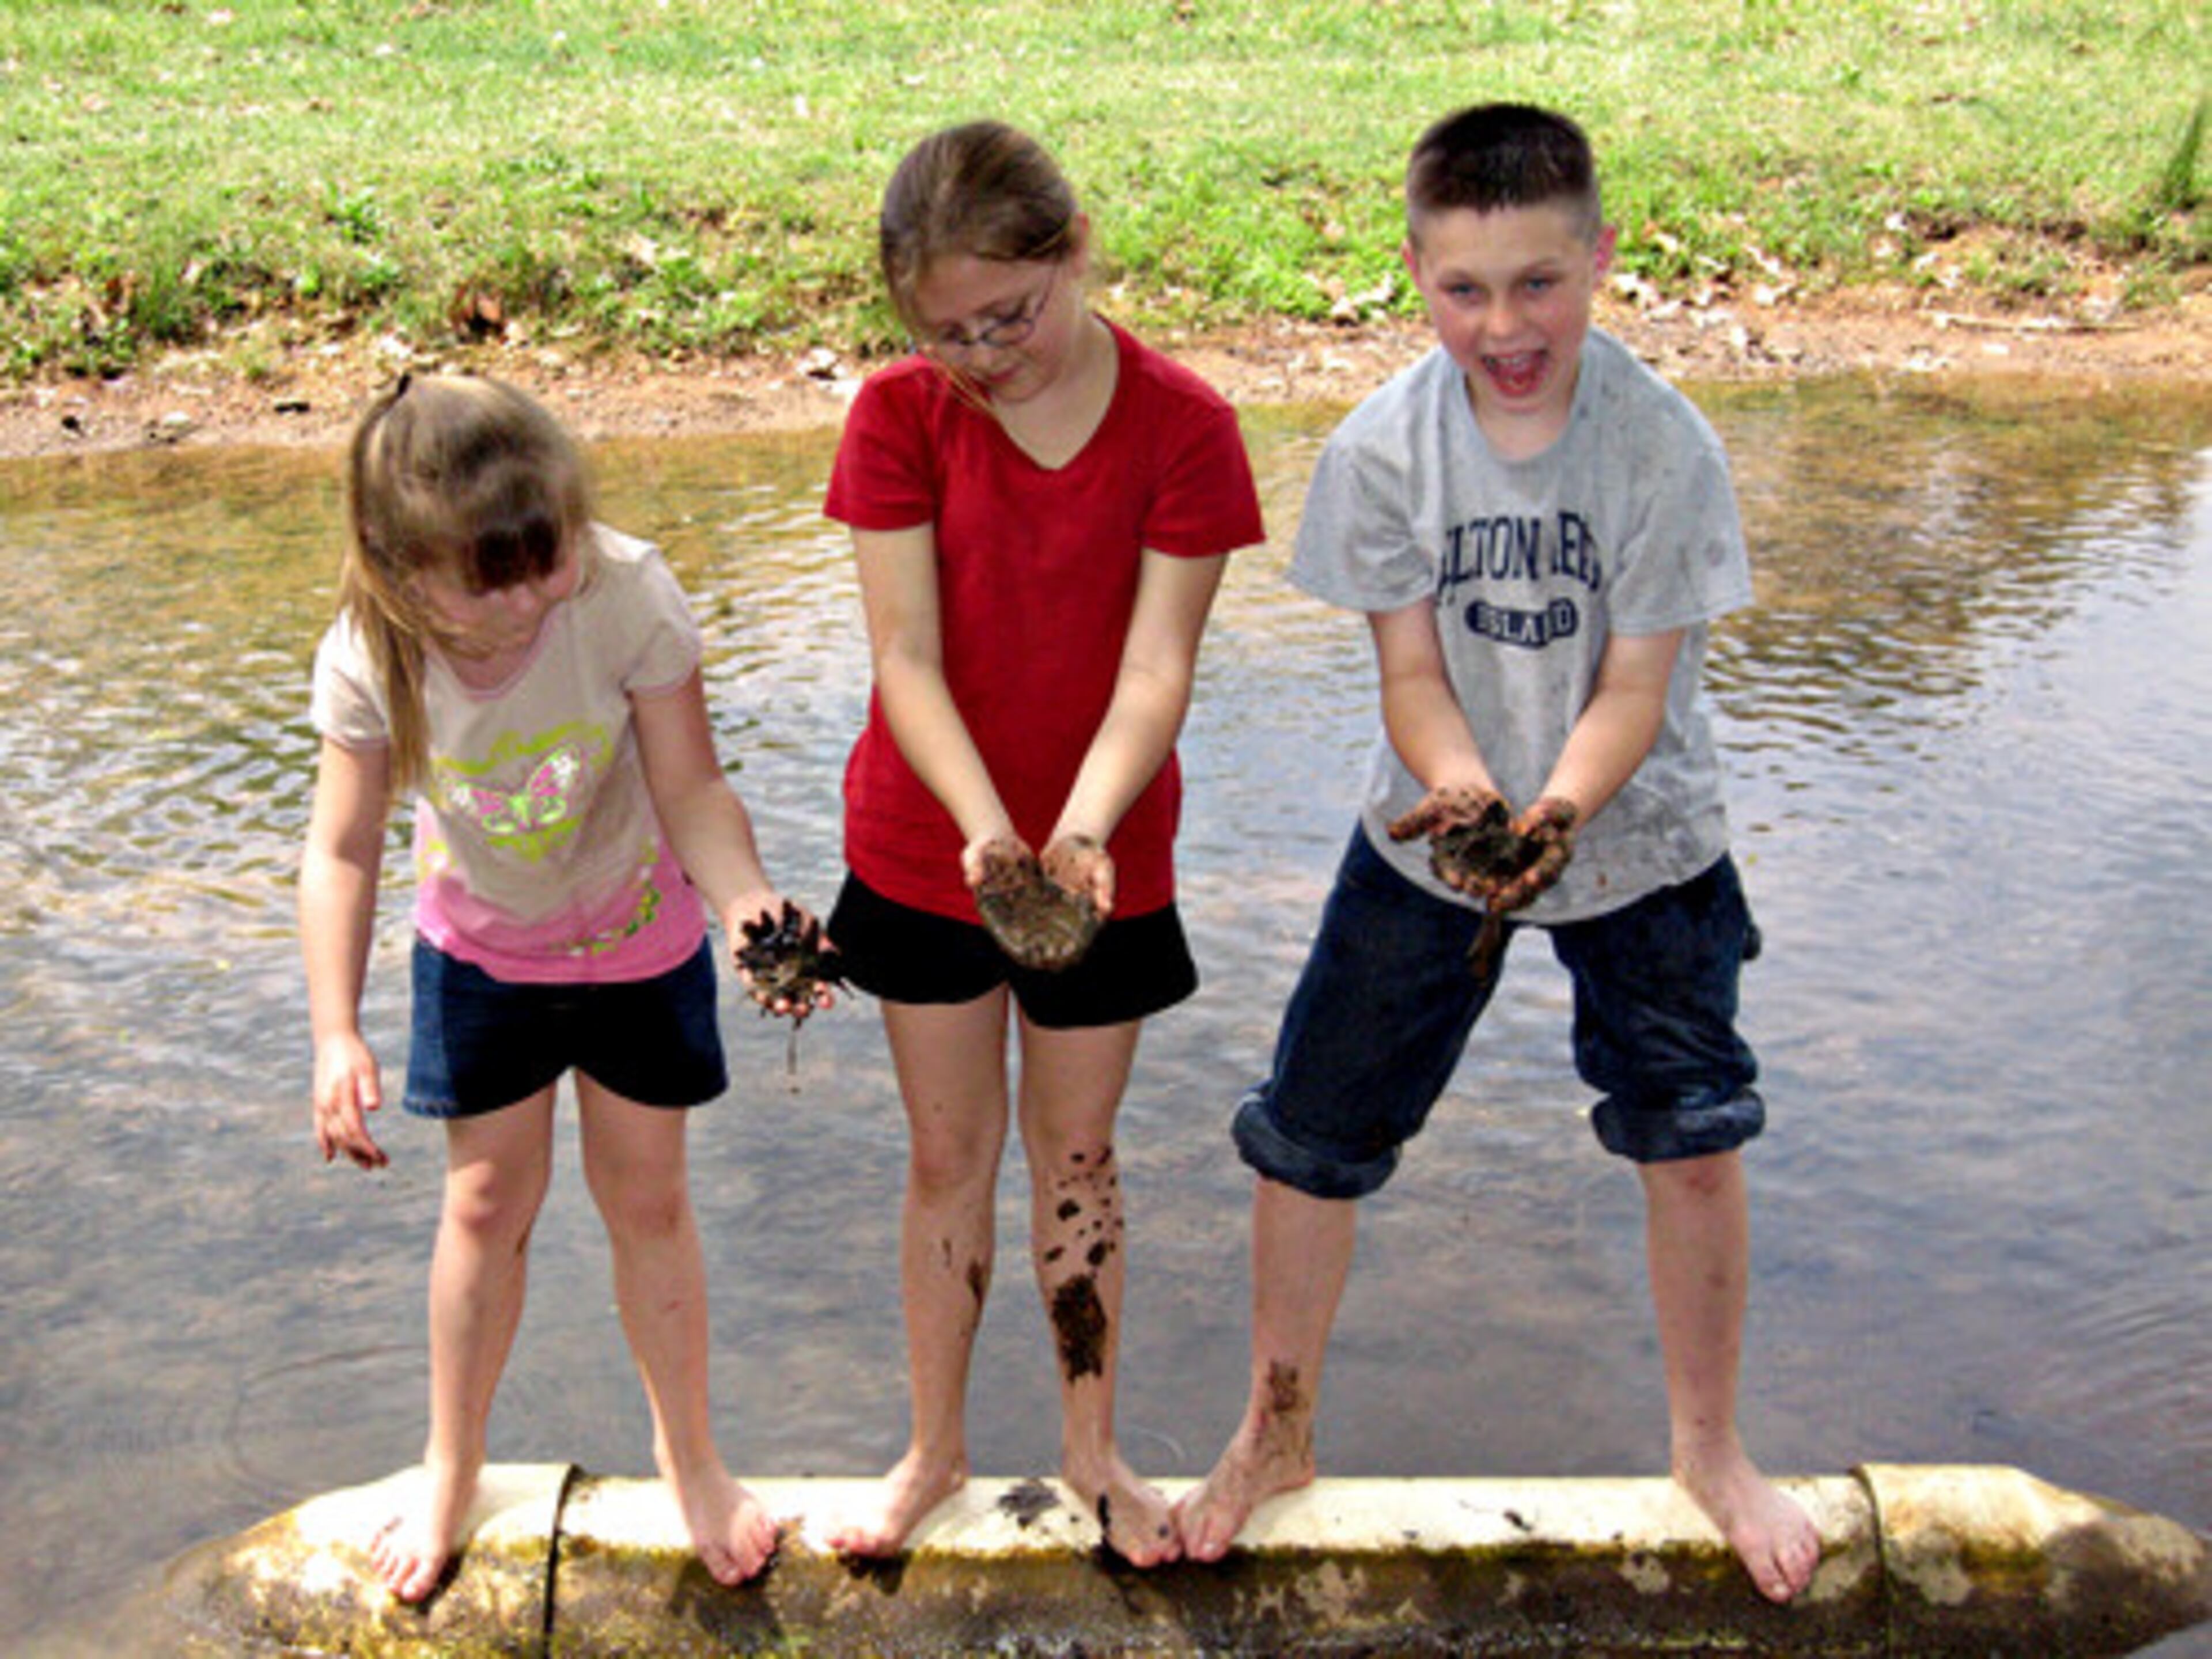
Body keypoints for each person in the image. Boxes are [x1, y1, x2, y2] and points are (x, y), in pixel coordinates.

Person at [1173, 104, 1823, 1605]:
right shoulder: (1385, 450)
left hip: (1644, 837)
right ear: (1413, 274)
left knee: (1695, 1132)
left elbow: (1639, 690)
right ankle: (1275, 1433)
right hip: (1428, 845)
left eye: (1539, 283)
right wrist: (1470, 795)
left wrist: (1560, 815)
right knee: (1307, 1139)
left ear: (1601, 257)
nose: (1505, 324)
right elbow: (1410, 680)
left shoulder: (1660, 445)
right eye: (1466, 290)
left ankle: (1709, 1448)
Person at [300, 373, 827, 1601]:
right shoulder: (369, 652)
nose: (539, 593)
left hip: (640, 940)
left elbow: (693, 790)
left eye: (550, 557)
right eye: (497, 578)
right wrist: (334, 1029)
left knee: (649, 1202)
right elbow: (342, 847)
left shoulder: (623, 589)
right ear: (396, 565)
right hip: (481, 957)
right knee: (485, 1204)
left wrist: (747, 904)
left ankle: (690, 1457)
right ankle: (453, 1463)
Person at [819, 120, 1264, 1567]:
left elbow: (1156, 673)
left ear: (1076, 253)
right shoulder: (899, 414)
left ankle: (1092, 1450)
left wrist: (1072, 832)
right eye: (948, 333)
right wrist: (984, 833)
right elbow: (905, 656)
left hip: (1102, 856)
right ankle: (933, 1451)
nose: (986, 354)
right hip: (921, 843)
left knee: (1077, 1153)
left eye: (1009, 315)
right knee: (946, 1155)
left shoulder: (1184, 426)